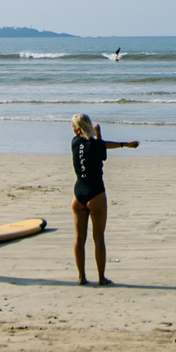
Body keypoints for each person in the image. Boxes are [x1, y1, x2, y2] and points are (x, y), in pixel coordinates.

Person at [69, 114, 139, 285]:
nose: (71, 128)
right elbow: (102, 152)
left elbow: (98, 146)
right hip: (96, 194)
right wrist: (100, 136)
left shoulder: (74, 143)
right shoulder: (96, 144)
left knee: (80, 238)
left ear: (77, 128)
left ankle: (81, 277)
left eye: (72, 125)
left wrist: (123, 144)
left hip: (78, 194)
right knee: (98, 237)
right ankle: (101, 278)